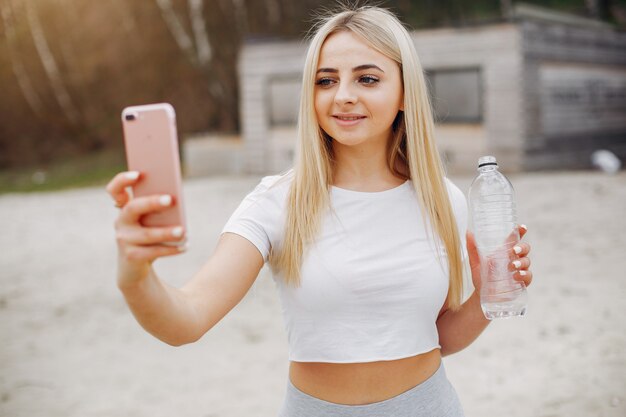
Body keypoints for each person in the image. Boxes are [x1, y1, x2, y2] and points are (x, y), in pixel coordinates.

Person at [106, 5, 533, 417]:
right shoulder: (275, 202)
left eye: (367, 78)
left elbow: (434, 336)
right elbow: (187, 320)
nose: (343, 96)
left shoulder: (443, 199)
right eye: (325, 81)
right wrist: (136, 276)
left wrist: (486, 295)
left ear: (405, 92)